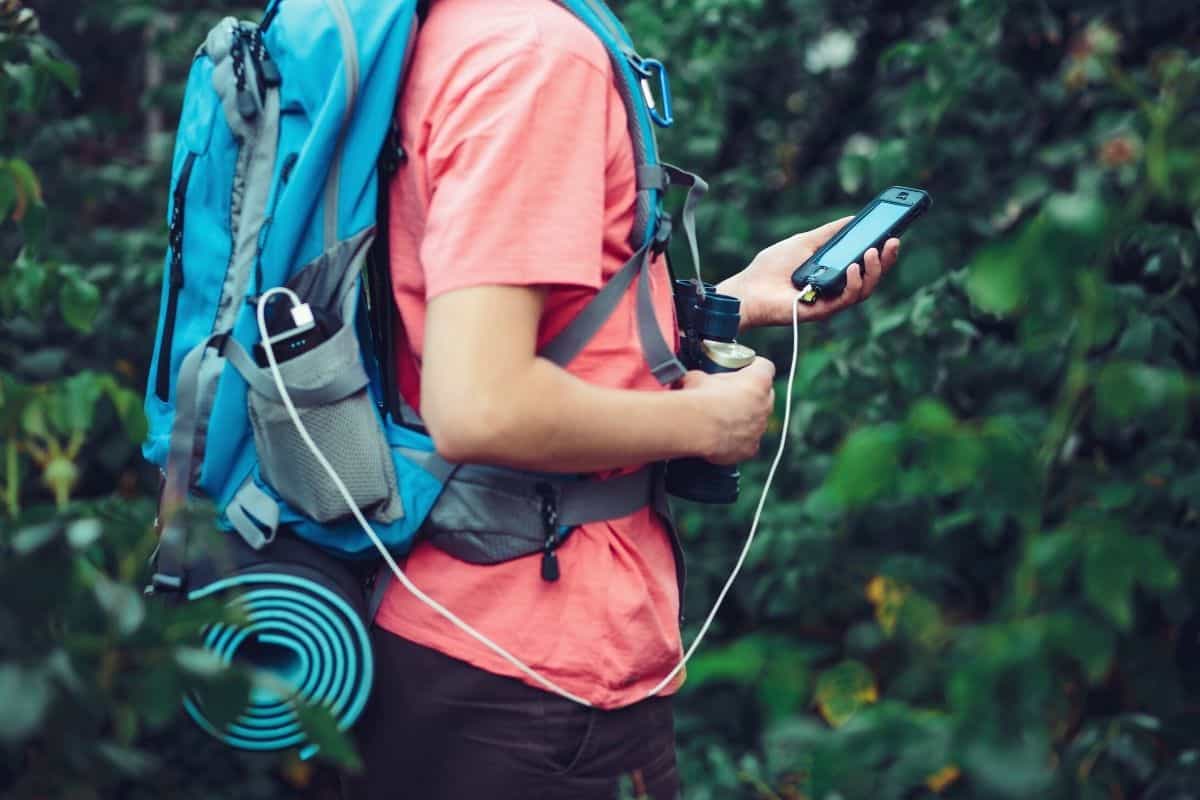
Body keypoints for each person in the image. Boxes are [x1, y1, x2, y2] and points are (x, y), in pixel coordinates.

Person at [350, 1, 900, 798]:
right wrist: (705, 421)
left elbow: (494, 325)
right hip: (532, 671)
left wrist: (734, 301)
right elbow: (480, 403)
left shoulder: (456, 29)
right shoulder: (537, 57)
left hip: (446, 632)